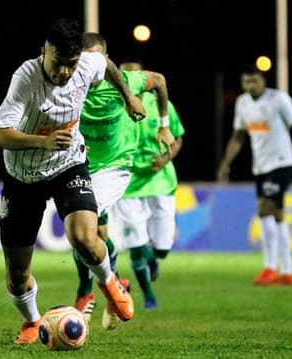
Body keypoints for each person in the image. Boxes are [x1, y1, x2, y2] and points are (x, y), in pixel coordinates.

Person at [0, 18, 144, 345]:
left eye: (70, 65)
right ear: (43, 52)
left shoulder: (87, 64)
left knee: (85, 239)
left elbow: (106, 64)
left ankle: (109, 282)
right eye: (58, 64)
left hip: (68, 165)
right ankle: (32, 322)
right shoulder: (25, 79)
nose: (64, 73)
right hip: (24, 176)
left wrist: (128, 96)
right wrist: (42, 142)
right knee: (18, 275)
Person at [72, 33, 175, 330]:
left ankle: (86, 292)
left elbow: (160, 81)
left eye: (97, 60)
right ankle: (117, 284)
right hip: (78, 164)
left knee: (82, 224)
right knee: (96, 236)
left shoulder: (128, 82)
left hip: (114, 167)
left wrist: (164, 127)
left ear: (106, 61)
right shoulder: (69, 83)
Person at [106, 59, 185, 311]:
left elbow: (177, 138)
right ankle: (149, 296)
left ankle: (155, 257)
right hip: (127, 184)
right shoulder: (113, 106)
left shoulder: (162, 105)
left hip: (160, 182)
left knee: (161, 249)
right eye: (124, 76)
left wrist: (166, 157)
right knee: (137, 248)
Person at [217, 65, 292, 286]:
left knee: (265, 209)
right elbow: (238, 136)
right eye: (246, 82)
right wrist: (226, 163)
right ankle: (288, 271)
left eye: (255, 81)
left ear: (263, 81)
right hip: (261, 166)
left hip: (282, 162)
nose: (250, 85)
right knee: (278, 215)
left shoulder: (279, 99)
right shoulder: (242, 103)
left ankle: (270, 268)